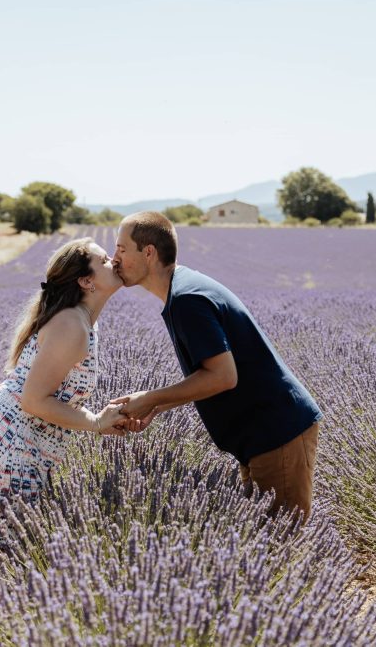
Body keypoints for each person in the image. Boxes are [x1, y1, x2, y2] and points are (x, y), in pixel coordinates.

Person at [111, 212, 322, 521]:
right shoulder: (182, 291)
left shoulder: (186, 300)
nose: (114, 259)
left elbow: (223, 376)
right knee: (266, 542)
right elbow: (210, 378)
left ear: (149, 253)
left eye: (121, 249)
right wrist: (155, 405)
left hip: (277, 432)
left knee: (282, 542)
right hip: (262, 435)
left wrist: (152, 398)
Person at [0, 238, 126, 547]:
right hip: (9, 436)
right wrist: (96, 422)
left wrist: (101, 420)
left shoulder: (84, 321)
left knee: (3, 535)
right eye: (103, 260)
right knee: (4, 540)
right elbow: (34, 400)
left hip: (22, 433)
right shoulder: (71, 324)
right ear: (86, 281)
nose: (113, 260)